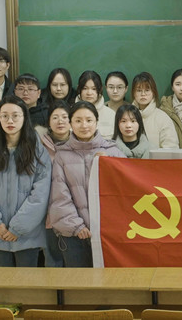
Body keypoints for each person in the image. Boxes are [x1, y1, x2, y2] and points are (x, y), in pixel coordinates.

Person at [0, 96, 52, 267]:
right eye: (4, 116)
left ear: (24, 118)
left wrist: (18, 227)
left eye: (15, 115)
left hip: (27, 233)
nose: (10, 121)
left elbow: (41, 193)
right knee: (1, 281)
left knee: (26, 281)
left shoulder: (37, 150)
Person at [49, 101, 125, 267]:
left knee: (111, 280)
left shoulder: (113, 151)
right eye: (78, 121)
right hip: (74, 235)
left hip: (108, 232)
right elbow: (59, 196)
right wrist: (77, 226)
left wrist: (109, 165)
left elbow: (124, 191)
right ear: (70, 123)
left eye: (89, 120)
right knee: (79, 281)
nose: (84, 125)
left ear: (96, 122)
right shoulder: (61, 155)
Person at [39, 100, 71, 267]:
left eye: (64, 117)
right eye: (55, 117)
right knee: (52, 259)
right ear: (49, 122)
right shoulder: (38, 146)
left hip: (74, 212)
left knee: (75, 260)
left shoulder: (80, 144)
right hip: (47, 212)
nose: (60, 121)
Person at [130, 72, 179, 149]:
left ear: (153, 92)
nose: (143, 94)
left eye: (147, 90)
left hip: (156, 157)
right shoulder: (126, 116)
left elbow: (171, 148)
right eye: (139, 90)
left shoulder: (162, 118)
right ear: (133, 93)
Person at [75, 70, 115, 139]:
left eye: (94, 89)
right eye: (85, 88)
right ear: (79, 89)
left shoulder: (111, 115)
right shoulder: (69, 113)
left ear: (100, 89)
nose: (89, 93)